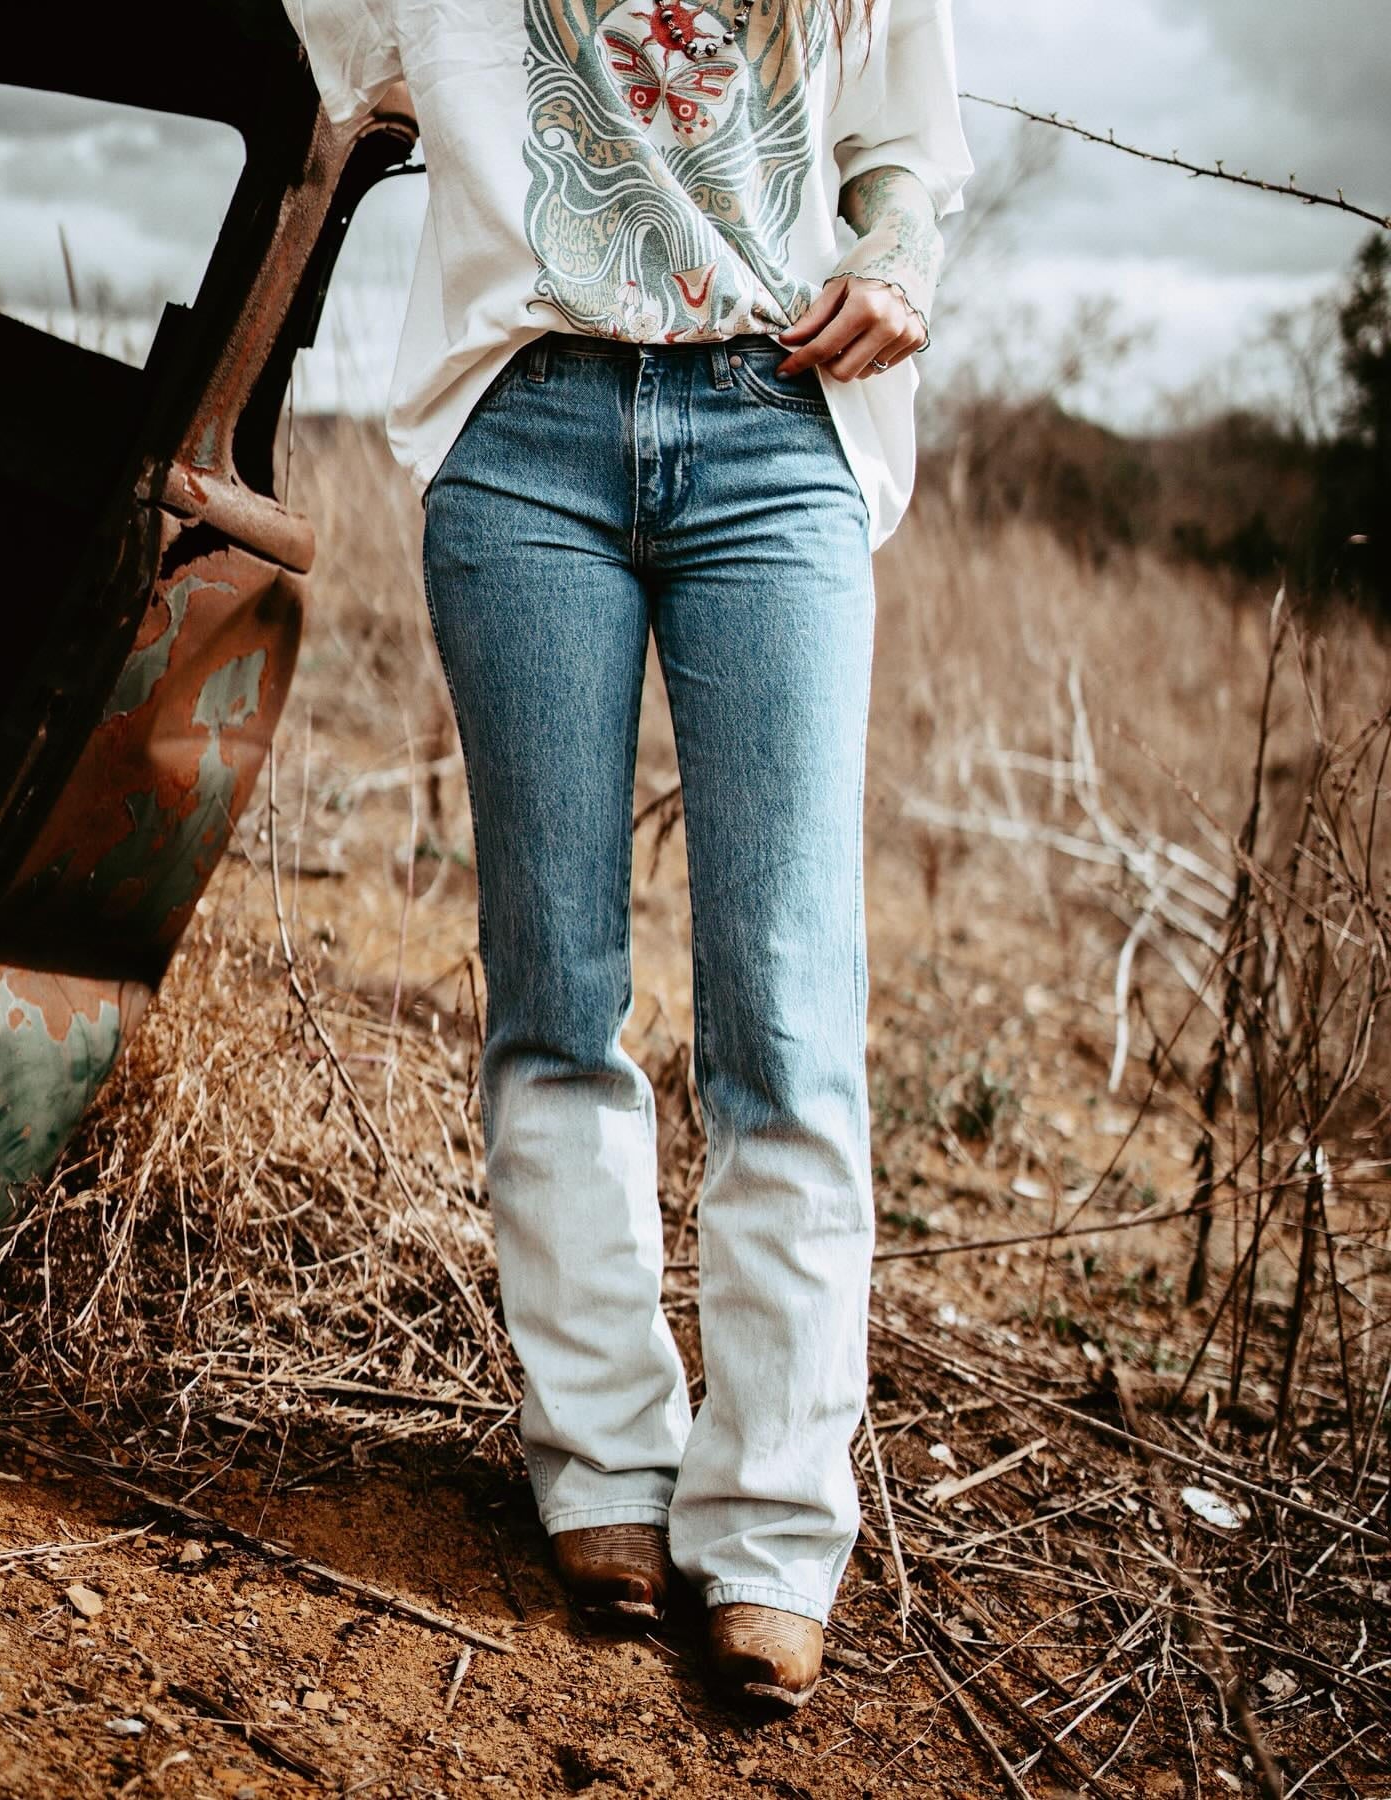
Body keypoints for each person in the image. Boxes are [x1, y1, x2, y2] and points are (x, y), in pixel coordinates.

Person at [286, 0, 972, 1711]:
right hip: (526, 435)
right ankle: (600, 1456)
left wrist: (897, 265)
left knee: (789, 1000)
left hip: (777, 434)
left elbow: (906, 156)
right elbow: (327, 57)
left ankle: (774, 1520)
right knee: (555, 981)